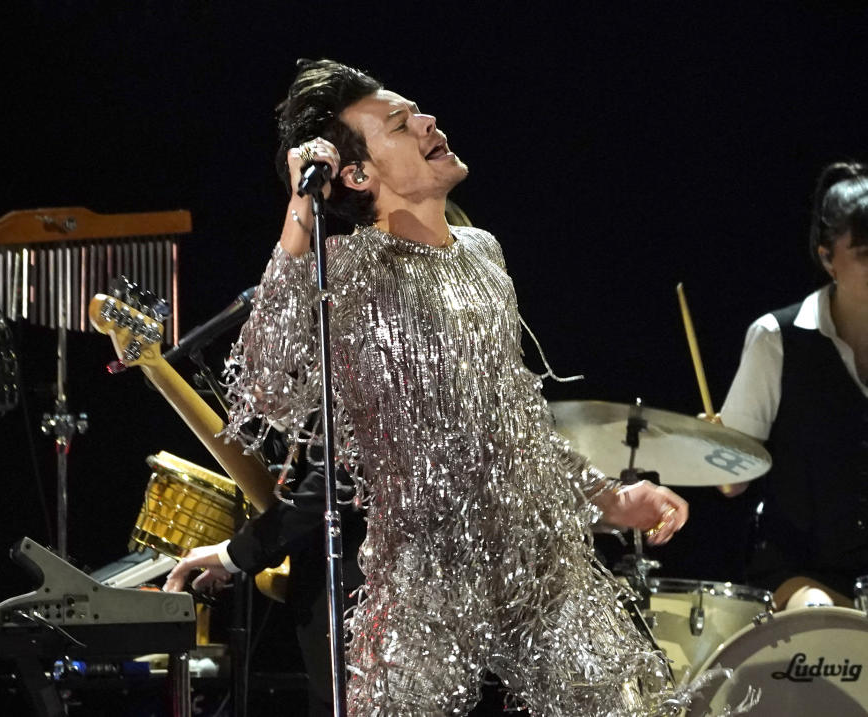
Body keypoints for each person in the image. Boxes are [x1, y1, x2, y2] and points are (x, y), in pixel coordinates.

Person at [166, 59, 693, 715]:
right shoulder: (349, 269)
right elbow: (265, 381)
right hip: (424, 582)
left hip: (535, 564)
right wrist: (301, 209)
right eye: (398, 122)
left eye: (416, 110)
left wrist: (607, 498)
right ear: (356, 174)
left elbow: (512, 420)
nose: (425, 122)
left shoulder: (482, 253)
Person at [718, 161, 868, 606]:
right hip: (800, 571)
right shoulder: (775, 337)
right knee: (825, 628)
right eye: (865, 254)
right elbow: (732, 479)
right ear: (827, 258)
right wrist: (716, 454)